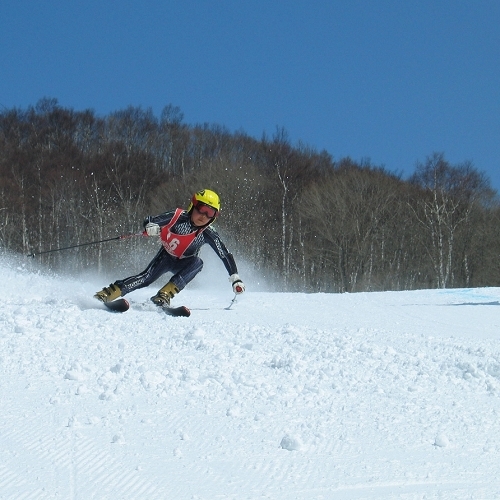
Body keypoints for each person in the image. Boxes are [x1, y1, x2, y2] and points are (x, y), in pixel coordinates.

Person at [94, 189, 245, 307]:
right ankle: (107, 294)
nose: (204, 216)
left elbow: (224, 254)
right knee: (145, 279)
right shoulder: (177, 216)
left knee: (198, 263)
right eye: (202, 209)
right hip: (166, 257)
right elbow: (151, 220)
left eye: (210, 213)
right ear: (193, 206)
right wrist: (151, 227)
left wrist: (235, 278)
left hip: (185, 263)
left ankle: (164, 295)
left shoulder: (208, 233)